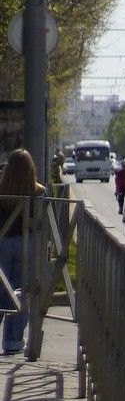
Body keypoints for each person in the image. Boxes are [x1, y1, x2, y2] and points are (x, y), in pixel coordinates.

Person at [1, 148, 46, 355]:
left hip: (2, 243)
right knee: (23, 291)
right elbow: (45, 224)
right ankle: (13, 342)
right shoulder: (39, 192)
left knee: (2, 289)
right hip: (29, 244)